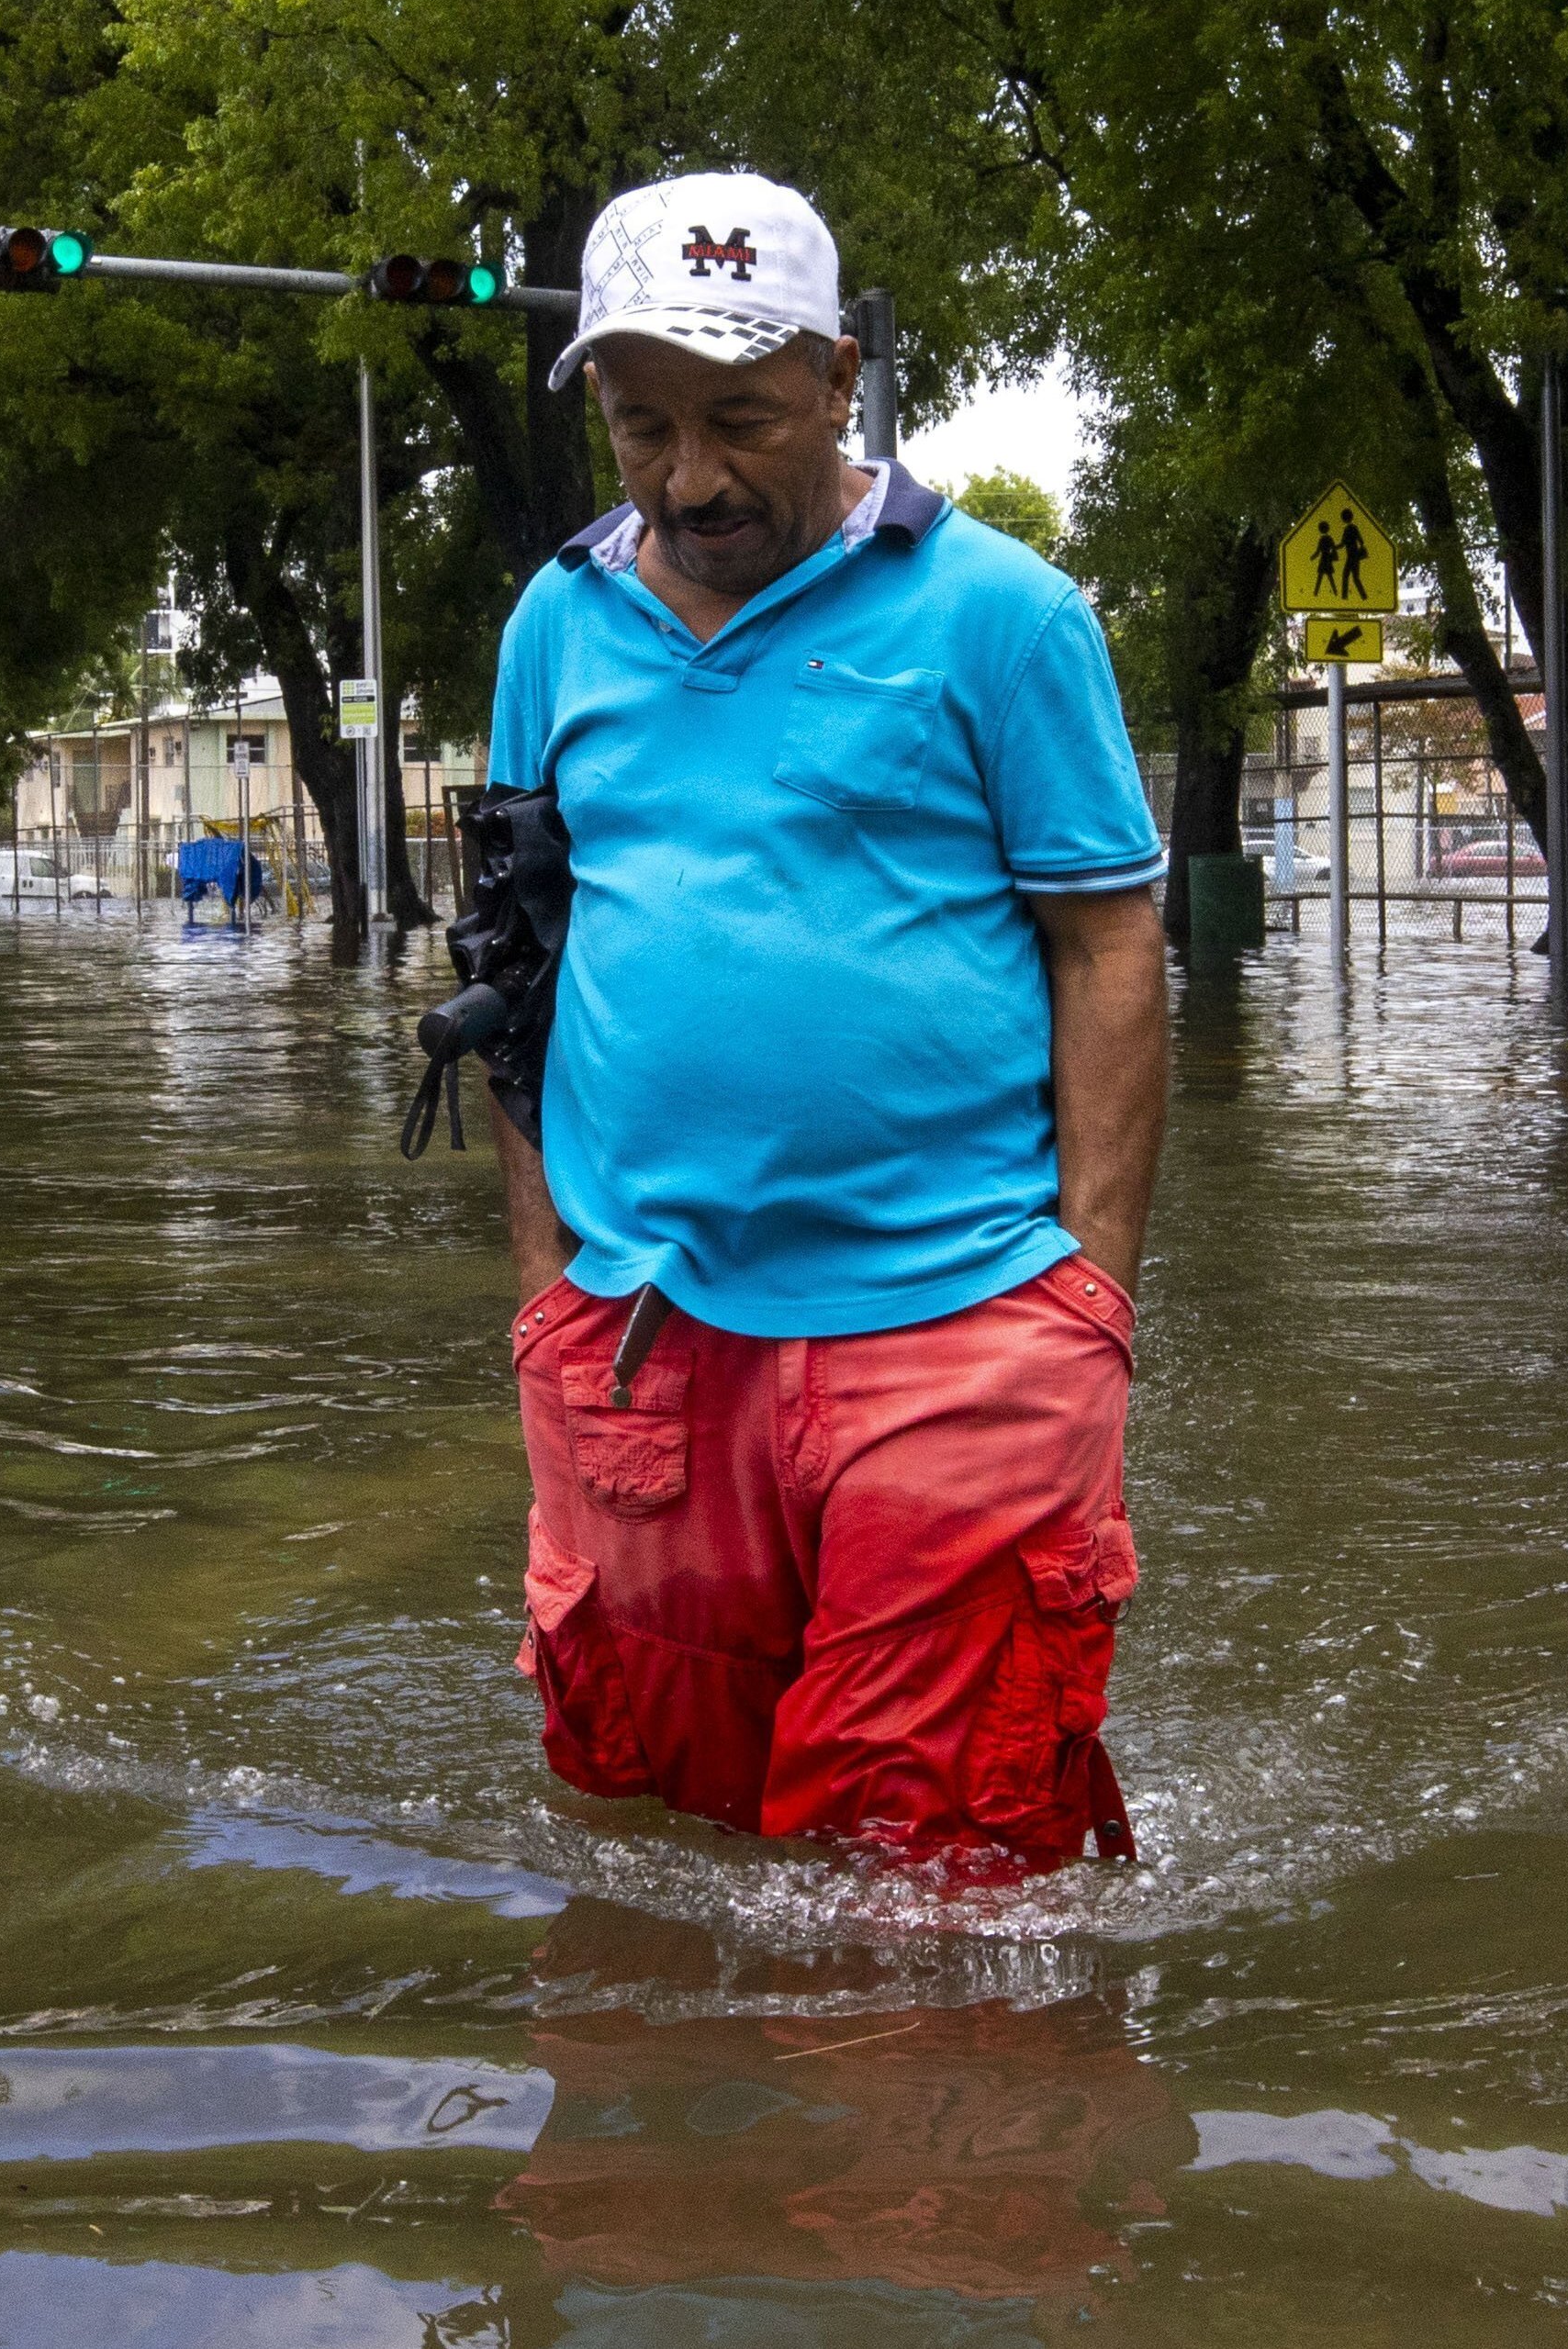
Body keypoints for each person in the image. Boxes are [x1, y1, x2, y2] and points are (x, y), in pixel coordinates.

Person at [487, 170, 1170, 1883]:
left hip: (963, 1332)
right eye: (645, 428)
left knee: (936, 1896)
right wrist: (546, 1316)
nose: (693, 477)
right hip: (641, 1346)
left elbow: (1108, 946)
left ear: (844, 375)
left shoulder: (1003, 616)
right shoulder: (554, 627)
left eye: (742, 418)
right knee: (655, 1866)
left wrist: (1085, 1302)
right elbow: (519, 964)